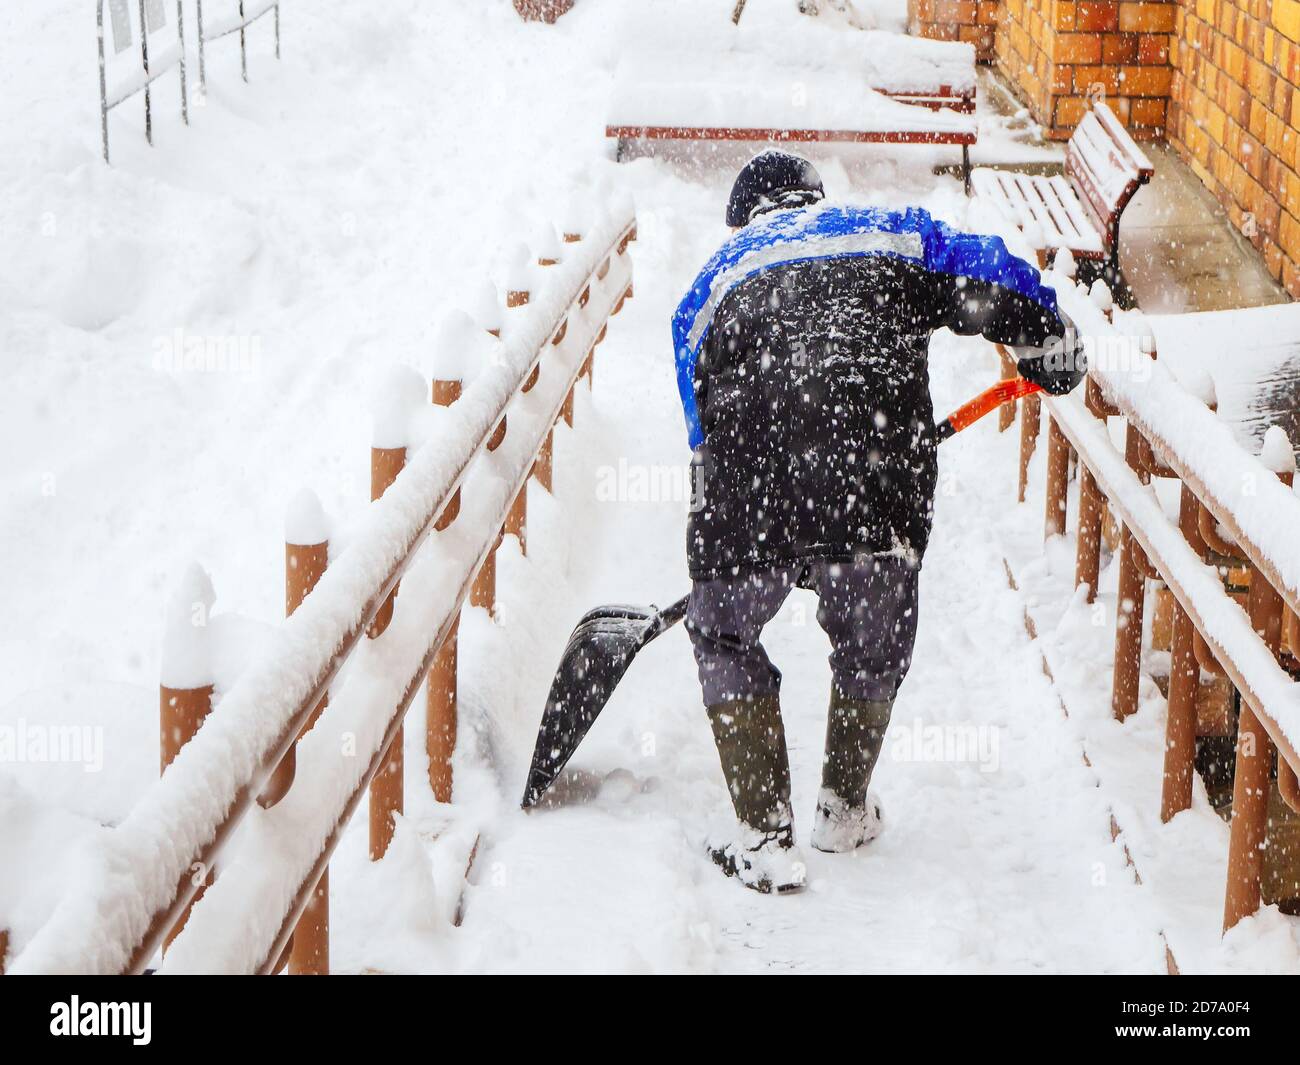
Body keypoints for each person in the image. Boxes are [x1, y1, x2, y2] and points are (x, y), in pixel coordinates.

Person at [672, 150, 1085, 893]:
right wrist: (1046, 336)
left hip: (745, 502)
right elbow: (986, 272)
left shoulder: (707, 288)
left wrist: (735, 551)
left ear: (744, 221)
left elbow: (699, 433)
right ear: (813, 199)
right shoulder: (884, 233)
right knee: (872, 640)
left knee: (723, 634)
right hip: (872, 489)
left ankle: (764, 836)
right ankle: (843, 805)